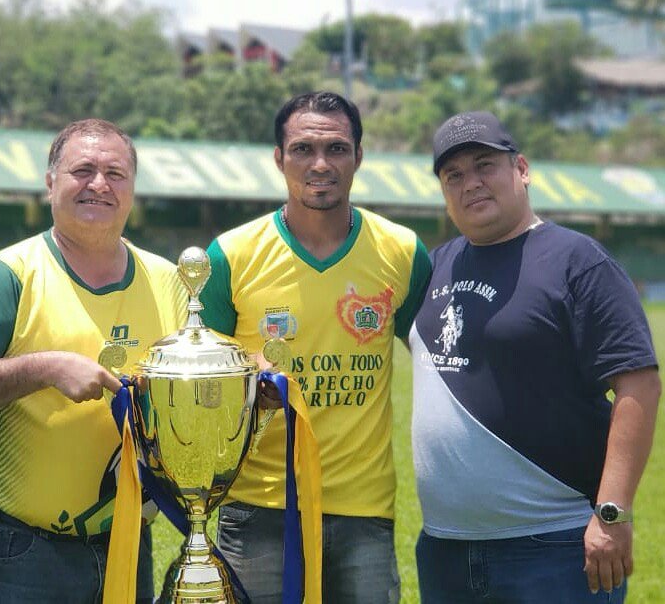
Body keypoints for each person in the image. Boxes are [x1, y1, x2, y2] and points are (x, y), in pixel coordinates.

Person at [0, 118, 185, 603]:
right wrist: (44, 369)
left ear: (132, 189)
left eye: (115, 174)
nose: (99, 184)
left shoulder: (168, 281)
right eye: (82, 170)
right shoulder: (7, 275)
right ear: (50, 183)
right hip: (21, 549)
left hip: (128, 540)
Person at [410, 110, 661, 602]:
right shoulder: (433, 266)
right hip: (444, 549)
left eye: (485, 165)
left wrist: (612, 513)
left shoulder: (577, 261)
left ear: (521, 169)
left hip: (555, 547)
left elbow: (639, 385)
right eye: (453, 175)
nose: (471, 183)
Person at [198, 91, 431, 603]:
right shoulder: (231, 256)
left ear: (358, 157)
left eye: (337, 148)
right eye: (302, 149)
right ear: (279, 158)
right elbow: (197, 381)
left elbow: (441, 366)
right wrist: (241, 368)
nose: (320, 163)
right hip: (259, 504)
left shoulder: (403, 252)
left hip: (362, 508)